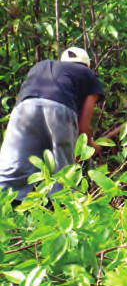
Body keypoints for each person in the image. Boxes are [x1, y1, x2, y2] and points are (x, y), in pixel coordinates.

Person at [0, 48, 105, 203]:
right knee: (63, 175)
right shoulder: (88, 75)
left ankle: (8, 215)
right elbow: (84, 127)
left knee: (13, 168)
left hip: (23, 110)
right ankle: (60, 215)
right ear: (88, 66)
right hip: (60, 110)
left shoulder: (41, 66)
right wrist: (90, 145)